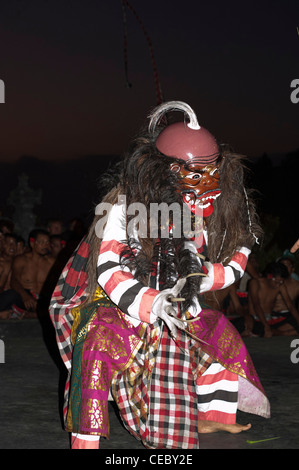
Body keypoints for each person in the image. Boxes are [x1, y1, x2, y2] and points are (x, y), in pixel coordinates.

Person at [50, 101, 270, 449]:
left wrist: (239, 254)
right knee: (95, 349)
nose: (204, 190)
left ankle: (213, 418)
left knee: (217, 331)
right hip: (118, 311)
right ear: (164, 172)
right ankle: (85, 439)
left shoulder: (199, 214)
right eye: (195, 176)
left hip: (175, 312)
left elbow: (206, 273)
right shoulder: (124, 206)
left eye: (212, 174)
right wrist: (154, 304)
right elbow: (109, 269)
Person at [0, 229, 55, 318]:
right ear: (32, 243)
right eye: (41, 242)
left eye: (47, 242)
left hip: (43, 301)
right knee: (10, 295)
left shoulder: (52, 262)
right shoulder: (21, 260)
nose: (45, 245)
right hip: (26, 299)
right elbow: (14, 281)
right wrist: (25, 296)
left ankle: (34, 315)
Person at [248, 262, 299, 337]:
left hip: (271, 319)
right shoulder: (255, 283)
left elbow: (290, 305)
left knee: (295, 320)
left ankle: (277, 332)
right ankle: (272, 331)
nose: (278, 284)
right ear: (269, 276)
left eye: (281, 282)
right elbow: (256, 305)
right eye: (276, 282)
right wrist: (266, 326)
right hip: (257, 319)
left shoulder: (280, 286)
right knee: (253, 326)